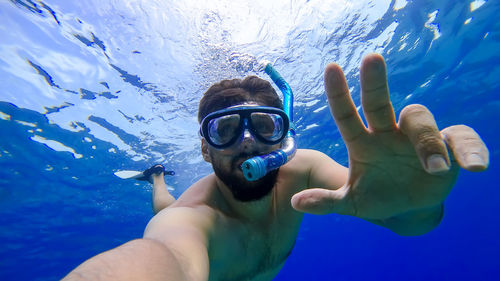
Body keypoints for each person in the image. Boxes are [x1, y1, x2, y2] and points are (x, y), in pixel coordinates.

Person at [63, 54, 489, 281]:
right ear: (206, 151)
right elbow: (164, 257)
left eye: (264, 126)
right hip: (180, 212)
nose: (247, 141)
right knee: (165, 207)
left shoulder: (303, 169)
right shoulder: (189, 224)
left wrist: (416, 202)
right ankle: (155, 175)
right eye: (226, 130)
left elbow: (411, 222)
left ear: (282, 138)